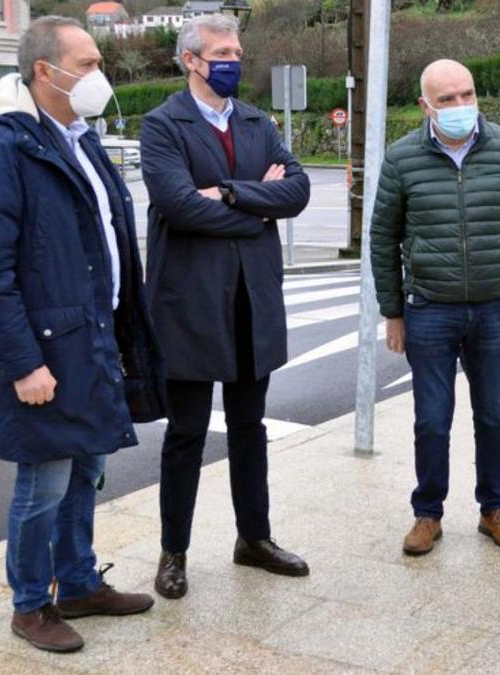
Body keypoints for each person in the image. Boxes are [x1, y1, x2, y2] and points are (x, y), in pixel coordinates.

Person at [0, 16, 166, 653]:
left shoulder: (80, 138)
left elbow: (107, 244)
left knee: (85, 470)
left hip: (91, 341)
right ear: (46, 70)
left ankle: (76, 583)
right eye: (90, 62)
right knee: (42, 483)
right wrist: (23, 363)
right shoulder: (0, 147)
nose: (100, 75)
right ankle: (28, 605)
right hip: (45, 352)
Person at [140, 13, 312, 600]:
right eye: (221, 52)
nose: (233, 60)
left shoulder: (258, 121)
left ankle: (254, 539)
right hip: (188, 304)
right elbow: (180, 206)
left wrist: (235, 192)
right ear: (191, 59)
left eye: (238, 50)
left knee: (249, 428)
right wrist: (259, 209)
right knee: (186, 433)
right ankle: (174, 553)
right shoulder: (163, 126)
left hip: (251, 300)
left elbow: (299, 190)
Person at [370, 59, 500, 556]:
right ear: (425, 106)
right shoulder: (402, 159)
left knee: (493, 415)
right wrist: (393, 310)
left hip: (495, 307)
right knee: (432, 419)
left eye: (467, 95)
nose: (461, 106)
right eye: (447, 100)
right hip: (429, 310)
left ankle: (495, 509)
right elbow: (384, 238)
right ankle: (428, 514)